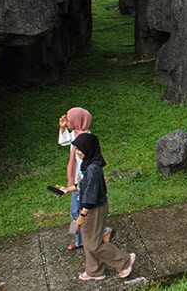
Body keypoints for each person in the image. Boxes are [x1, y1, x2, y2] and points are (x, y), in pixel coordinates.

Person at [58, 132, 136, 281]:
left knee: (94, 244)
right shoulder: (89, 164)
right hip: (89, 208)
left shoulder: (93, 169)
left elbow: (90, 196)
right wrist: (68, 189)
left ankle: (124, 261)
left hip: (93, 209)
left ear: (88, 148)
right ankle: (94, 271)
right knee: (88, 241)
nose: (77, 152)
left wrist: (82, 216)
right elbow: (84, 185)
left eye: (79, 149)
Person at [57, 108, 112, 251]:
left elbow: (88, 172)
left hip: (83, 181)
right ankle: (82, 239)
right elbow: (64, 142)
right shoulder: (77, 136)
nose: (67, 122)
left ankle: (96, 235)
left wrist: (76, 185)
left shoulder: (85, 141)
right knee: (76, 212)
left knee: (78, 212)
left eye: (69, 120)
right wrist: (62, 128)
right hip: (79, 181)